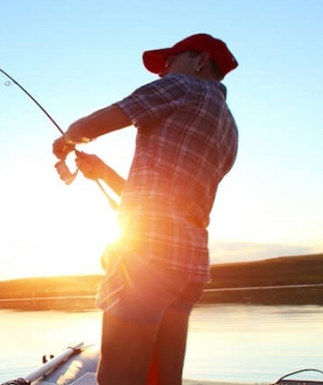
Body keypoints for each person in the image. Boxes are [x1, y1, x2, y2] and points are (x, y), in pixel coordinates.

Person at [52, 33, 239, 385]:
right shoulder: (230, 129)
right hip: (189, 267)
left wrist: (66, 140)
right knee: (163, 380)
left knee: (117, 379)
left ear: (199, 61)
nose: (163, 73)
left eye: (170, 62)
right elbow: (162, 201)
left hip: (147, 260)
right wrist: (103, 172)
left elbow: (84, 129)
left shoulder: (180, 87)